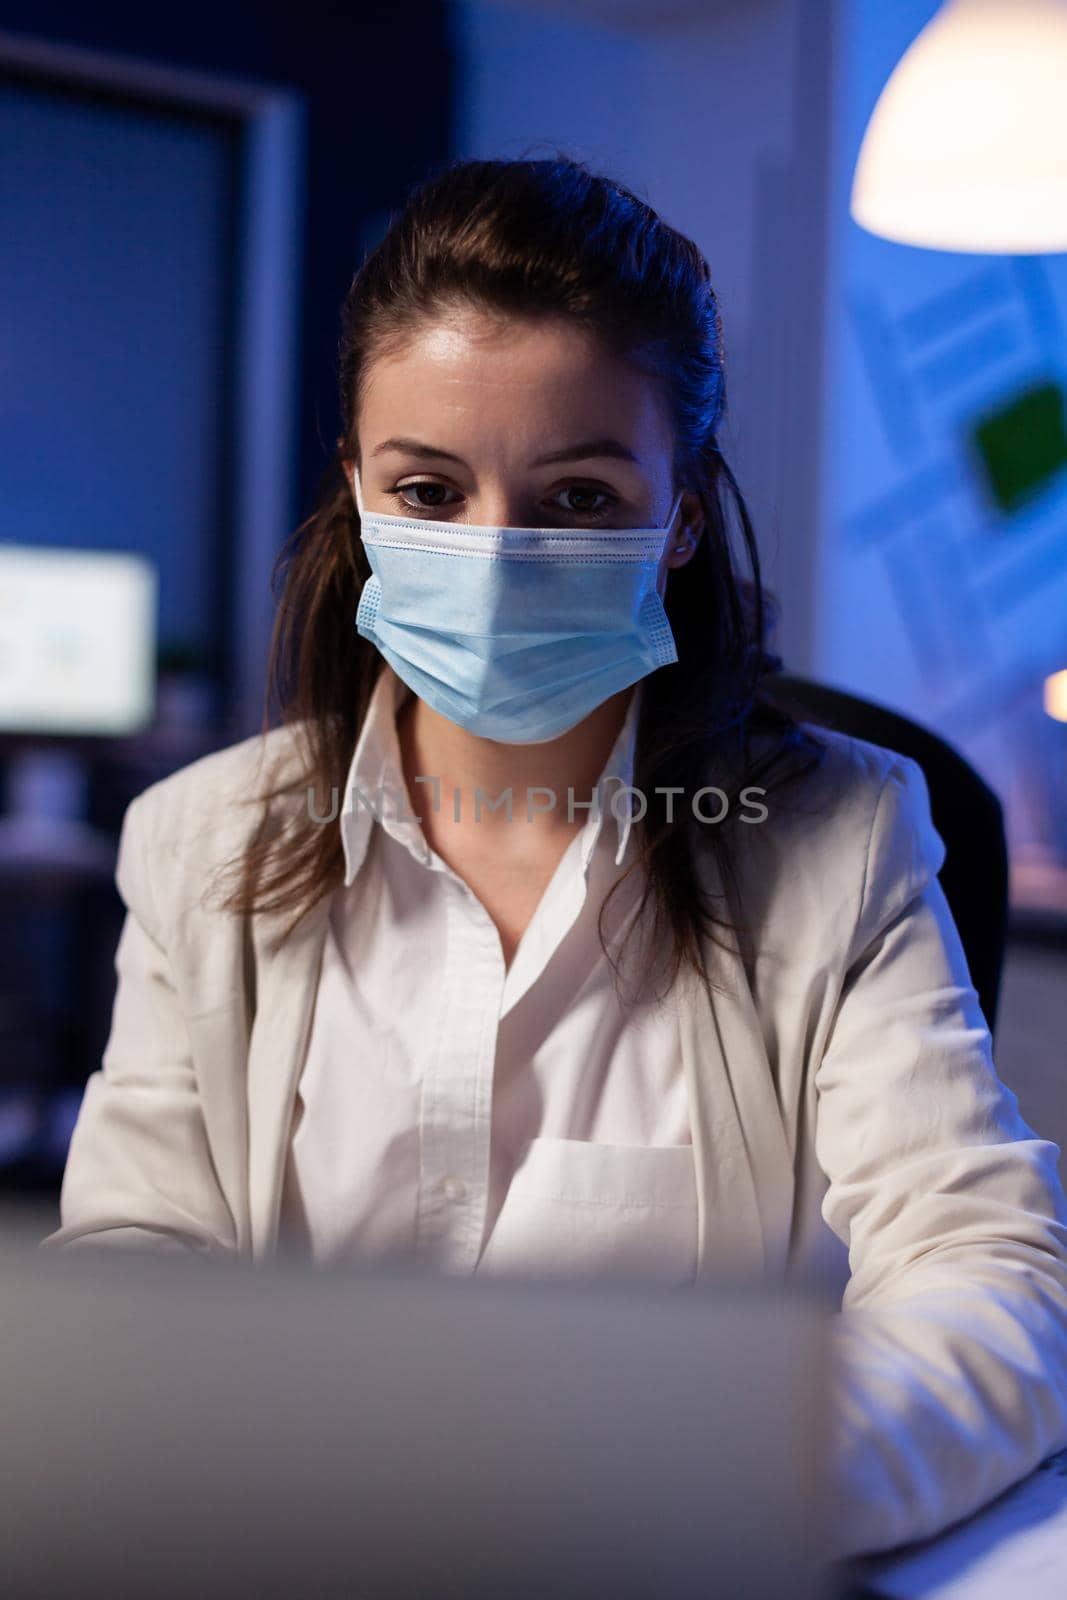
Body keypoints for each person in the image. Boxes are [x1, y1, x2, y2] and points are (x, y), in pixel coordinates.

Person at [41, 155, 1067, 1562]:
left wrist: (718, 1484)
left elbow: (991, 1278)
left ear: (683, 514)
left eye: (579, 496)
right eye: (429, 488)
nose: (499, 551)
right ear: (355, 496)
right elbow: (132, 1267)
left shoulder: (846, 833)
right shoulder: (202, 843)